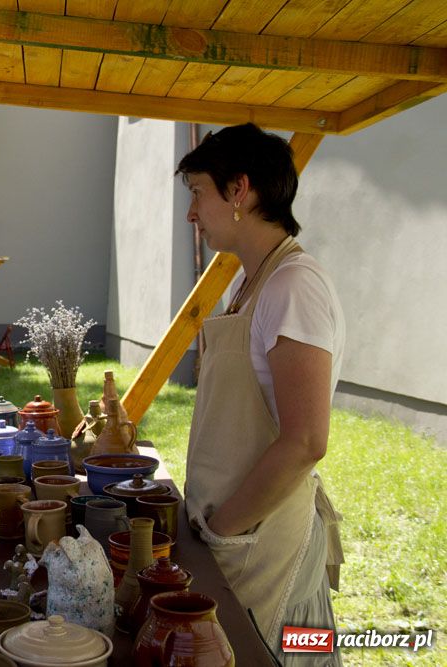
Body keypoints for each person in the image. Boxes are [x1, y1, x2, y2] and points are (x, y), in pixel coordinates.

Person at [179, 124, 345, 664]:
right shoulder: (250, 284)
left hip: (266, 544)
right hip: (234, 534)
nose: (191, 213)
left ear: (238, 190)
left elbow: (305, 441)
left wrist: (227, 527)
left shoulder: (293, 286)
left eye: (197, 192)